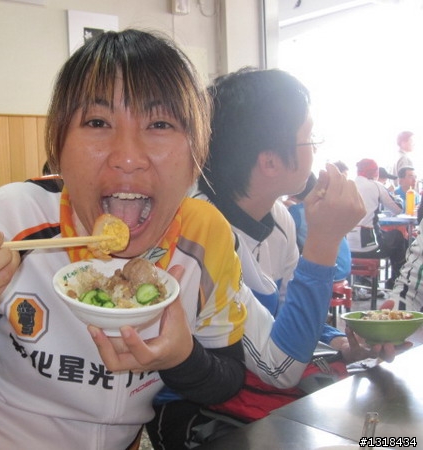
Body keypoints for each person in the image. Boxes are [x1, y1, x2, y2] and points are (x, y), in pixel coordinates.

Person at [0, 30, 371, 450]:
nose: (128, 156)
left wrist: (181, 360)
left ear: (195, 156)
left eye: (160, 124)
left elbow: (225, 378)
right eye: (97, 123)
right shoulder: (15, 219)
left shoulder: (203, 237)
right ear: (57, 149)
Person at [148, 68, 391, 449]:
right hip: (198, 411)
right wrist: (324, 241)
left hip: (259, 398)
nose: (315, 151)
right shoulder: (200, 231)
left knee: (382, 435)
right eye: (310, 138)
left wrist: (344, 343)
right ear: (271, 162)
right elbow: (281, 369)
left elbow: (284, 320)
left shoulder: (278, 218)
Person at [347, 158, 408, 289]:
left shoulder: (347, 185)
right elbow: (397, 209)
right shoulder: (376, 186)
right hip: (370, 247)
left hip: (346, 247)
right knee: (397, 236)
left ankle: (365, 281)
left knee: (384, 235)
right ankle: (397, 281)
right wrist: (396, 198)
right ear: (375, 172)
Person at [288, 172, 351, 282]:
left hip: (326, 270)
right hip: (344, 268)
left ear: (291, 194)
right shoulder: (327, 206)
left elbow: (287, 239)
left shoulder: (296, 211)